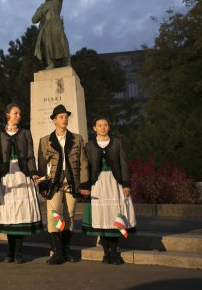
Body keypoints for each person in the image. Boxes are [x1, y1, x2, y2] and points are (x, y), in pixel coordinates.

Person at [0, 103, 43, 264]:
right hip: (6, 176)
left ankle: (18, 252)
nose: (18, 116)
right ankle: (10, 252)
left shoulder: (26, 133)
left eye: (19, 113)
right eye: (15, 113)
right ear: (7, 115)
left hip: (22, 174)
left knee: (21, 213)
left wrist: (33, 173)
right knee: (9, 214)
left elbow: (30, 156)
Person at [37, 104, 89, 265]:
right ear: (54, 120)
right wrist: (43, 186)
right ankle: (57, 252)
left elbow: (83, 162)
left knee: (70, 216)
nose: (64, 119)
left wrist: (85, 184)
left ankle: (66, 250)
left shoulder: (77, 138)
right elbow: (41, 165)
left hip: (72, 182)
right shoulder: (45, 141)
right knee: (54, 216)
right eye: (61, 117)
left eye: (66, 116)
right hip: (53, 183)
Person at [82, 117, 137, 265]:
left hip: (114, 183)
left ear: (109, 127)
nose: (103, 127)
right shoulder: (89, 146)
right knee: (102, 218)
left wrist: (126, 184)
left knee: (114, 217)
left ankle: (114, 253)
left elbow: (124, 164)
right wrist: (86, 186)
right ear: (94, 128)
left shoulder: (117, 143)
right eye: (99, 125)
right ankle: (106, 254)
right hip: (98, 185)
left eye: (105, 125)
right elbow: (86, 168)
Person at [32, 0, 71, 68]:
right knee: (47, 45)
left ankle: (68, 63)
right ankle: (50, 63)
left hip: (56, 24)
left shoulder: (57, 1)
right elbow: (34, 20)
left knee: (62, 42)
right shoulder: (41, 7)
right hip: (46, 28)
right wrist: (41, 11)